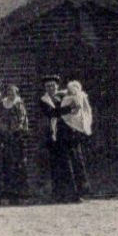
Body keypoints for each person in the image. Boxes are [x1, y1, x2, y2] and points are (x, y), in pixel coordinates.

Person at [39, 75, 80, 203]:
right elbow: (52, 113)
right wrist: (69, 108)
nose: (50, 88)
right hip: (54, 136)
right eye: (47, 86)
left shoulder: (64, 96)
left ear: (57, 86)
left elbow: (76, 105)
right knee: (56, 165)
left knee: (71, 163)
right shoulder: (44, 100)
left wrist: (72, 108)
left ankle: (74, 194)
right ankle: (59, 194)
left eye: (53, 85)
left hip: (67, 134)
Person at [0, 84, 30, 204]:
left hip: (17, 138)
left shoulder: (19, 104)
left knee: (18, 165)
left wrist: (17, 130)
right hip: (5, 138)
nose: (10, 94)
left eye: (13, 92)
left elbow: (22, 120)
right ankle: (7, 195)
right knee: (6, 166)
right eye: (8, 92)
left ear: (16, 93)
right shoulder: (1, 104)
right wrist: (2, 130)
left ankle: (20, 195)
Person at [61, 79, 94, 200]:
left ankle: (83, 191)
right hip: (68, 133)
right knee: (72, 161)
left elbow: (85, 113)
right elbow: (66, 114)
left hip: (77, 133)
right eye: (70, 90)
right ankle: (74, 192)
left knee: (78, 161)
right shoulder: (66, 99)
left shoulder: (81, 98)